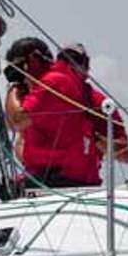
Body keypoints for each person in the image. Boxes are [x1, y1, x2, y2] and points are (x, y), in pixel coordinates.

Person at [9, 42, 100, 186]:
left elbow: (16, 121)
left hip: (63, 178)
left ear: (32, 62)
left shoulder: (54, 83)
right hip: (65, 175)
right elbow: (20, 134)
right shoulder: (54, 86)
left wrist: (13, 89)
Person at [3, 37, 54, 164]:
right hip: (36, 168)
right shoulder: (24, 93)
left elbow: (16, 121)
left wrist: (14, 91)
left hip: (54, 169)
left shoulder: (52, 87)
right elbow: (11, 124)